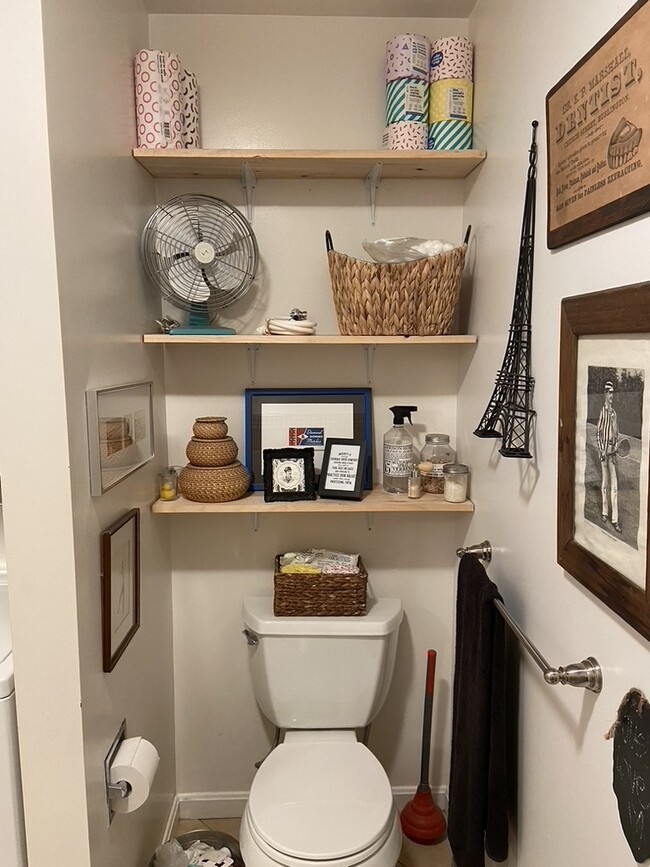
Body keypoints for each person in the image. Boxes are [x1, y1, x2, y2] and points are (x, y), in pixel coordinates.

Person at [596, 381, 621, 533]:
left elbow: (617, 434)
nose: (612, 396)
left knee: (615, 487)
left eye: (613, 393)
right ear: (605, 394)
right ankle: (605, 513)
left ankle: (615, 520)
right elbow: (598, 432)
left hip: (612, 456)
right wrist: (601, 450)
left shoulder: (614, 414)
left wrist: (616, 444)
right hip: (604, 455)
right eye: (609, 393)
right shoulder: (603, 412)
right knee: (605, 484)